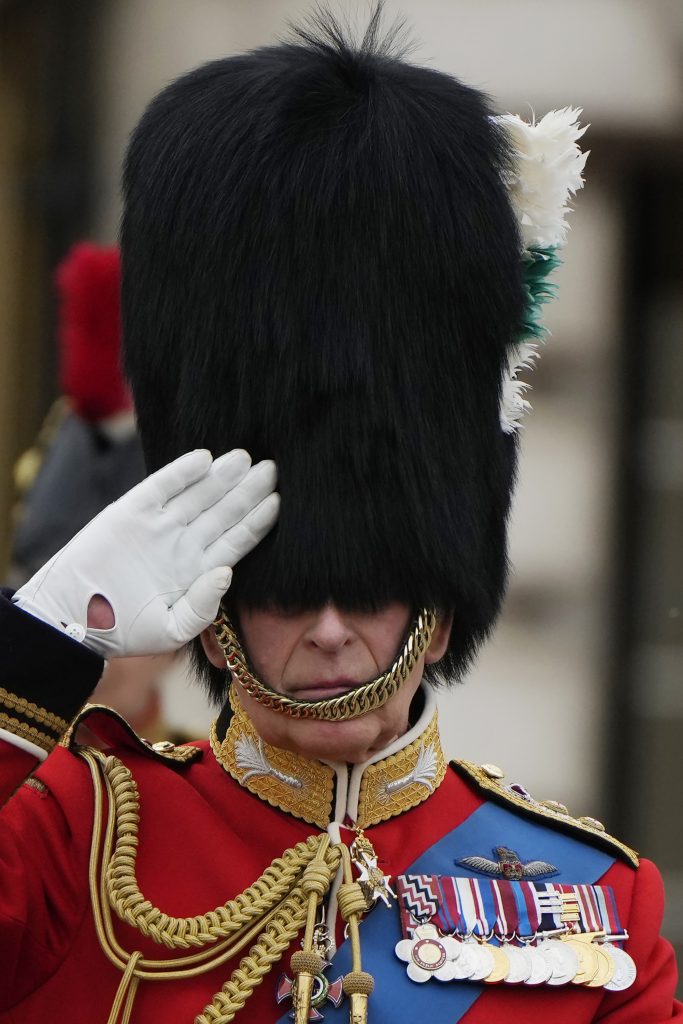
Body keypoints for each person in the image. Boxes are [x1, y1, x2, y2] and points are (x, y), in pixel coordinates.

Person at [1, 9, 680, 1023]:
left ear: (438, 604)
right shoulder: (75, 837)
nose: (326, 628)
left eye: (364, 586)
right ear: (216, 613)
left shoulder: (591, 904)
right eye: (278, 586)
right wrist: (38, 647)